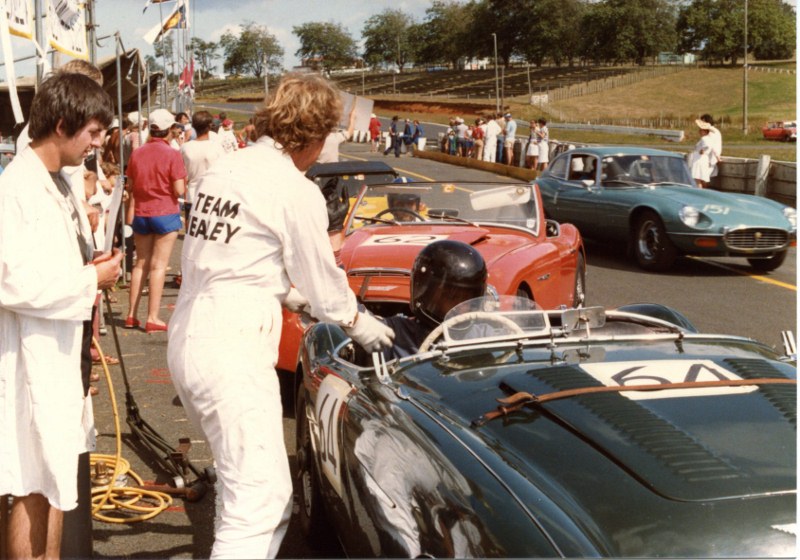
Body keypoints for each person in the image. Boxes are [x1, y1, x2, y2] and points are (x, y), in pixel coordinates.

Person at [166, 73, 394, 559]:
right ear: (311, 134)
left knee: (240, 486)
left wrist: (286, 294)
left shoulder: (224, 170)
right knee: (262, 500)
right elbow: (327, 289)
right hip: (233, 343)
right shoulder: (293, 188)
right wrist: (359, 321)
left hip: (192, 328)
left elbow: (229, 254)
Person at [0, 71, 122, 559]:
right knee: (31, 481)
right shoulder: (16, 190)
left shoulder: (59, 182)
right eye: (92, 133)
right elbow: (11, 281)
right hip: (32, 358)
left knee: (54, 476)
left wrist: (88, 267)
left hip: (60, 351)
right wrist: (92, 280)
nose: (96, 145)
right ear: (63, 124)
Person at [124, 108, 187, 333]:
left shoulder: (138, 153)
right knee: (158, 266)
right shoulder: (172, 154)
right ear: (170, 129)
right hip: (165, 213)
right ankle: (153, 317)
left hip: (142, 213)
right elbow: (179, 189)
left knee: (140, 264)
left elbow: (130, 185)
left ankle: (131, 315)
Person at [383, 239, 487, 360]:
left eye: (467, 298)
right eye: (452, 297)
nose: (462, 306)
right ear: (427, 292)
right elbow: (361, 323)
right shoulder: (396, 333)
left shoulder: (484, 334)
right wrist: (358, 322)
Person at [180, 110, 225, 224]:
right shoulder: (217, 147)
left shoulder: (185, 148)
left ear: (193, 126)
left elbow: (182, 174)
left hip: (192, 194)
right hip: (214, 194)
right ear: (210, 126)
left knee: (191, 230)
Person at [688, 120, 716, 188]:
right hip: (703, 159)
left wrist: (702, 150)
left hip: (699, 159)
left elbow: (707, 146)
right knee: (701, 178)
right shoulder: (708, 138)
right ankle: (703, 191)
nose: (699, 131)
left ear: (705, 131)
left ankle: (699, 191)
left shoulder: (704, 139)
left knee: (697, 178)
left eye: (701, 130)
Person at [699, 114, 722, 179]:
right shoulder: (714, 130)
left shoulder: (711, 132)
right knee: (703, 178)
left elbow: (711, 146)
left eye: (702, 122)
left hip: (709, 159)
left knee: (703, 179)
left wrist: (717, 157)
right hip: (710, 159)